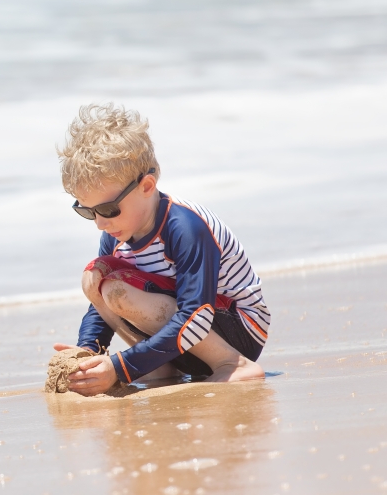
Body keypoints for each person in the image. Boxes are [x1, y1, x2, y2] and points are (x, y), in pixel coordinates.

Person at [53, 104, 268, 396]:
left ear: (146, 185)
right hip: (183, 337)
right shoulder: (118, 230)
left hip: (235, 329)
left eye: (108, 209)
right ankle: (161, 367)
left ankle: (233, 365)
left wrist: (120, 368)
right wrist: (88, 351)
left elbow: (197, 313)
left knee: (118, 290)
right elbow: (99, 303)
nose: (100, 223)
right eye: (88, 211)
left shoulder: (185, 228)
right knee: (96, 278)